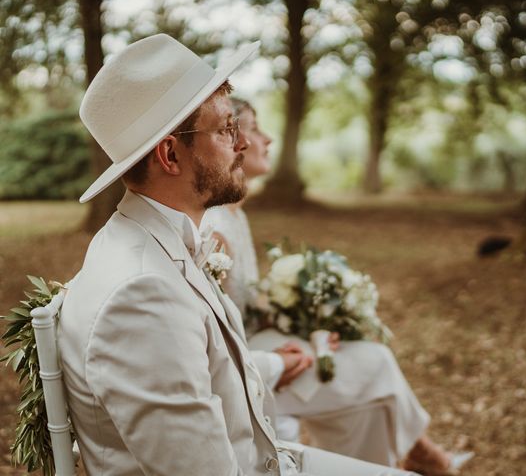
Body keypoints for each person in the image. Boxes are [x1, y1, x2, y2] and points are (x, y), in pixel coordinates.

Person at [57, 34, 418, 475]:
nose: (242, 144)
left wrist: (274, 363)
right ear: (170, 154)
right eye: (227, 128)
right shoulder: (141, 295)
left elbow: (206, 373)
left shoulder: (152, 242)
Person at [204, 99, 474, 475]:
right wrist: (281, 353)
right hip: (250, 363)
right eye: (255, 127)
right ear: (234, 139)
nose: (267, 139)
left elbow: (248, 303)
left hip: (267, 339)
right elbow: (214, 331)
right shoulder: (214, 229)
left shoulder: (237, 215)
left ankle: (403, 459)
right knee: (375, 361)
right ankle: (425, 456)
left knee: (368, 405)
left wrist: (303, 322)